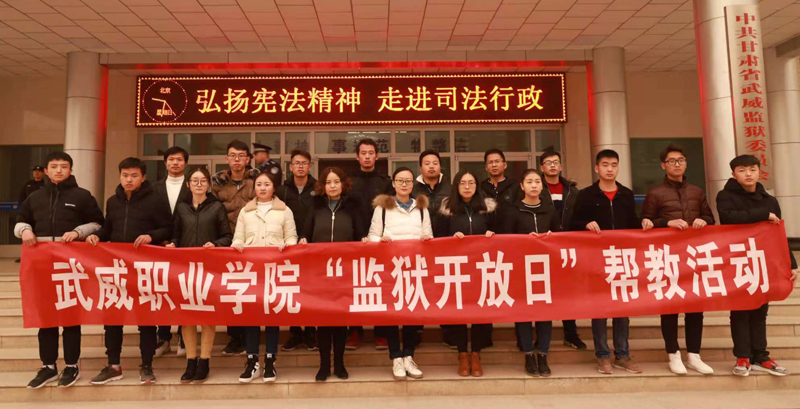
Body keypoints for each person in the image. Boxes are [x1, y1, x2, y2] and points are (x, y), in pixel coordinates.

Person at [14, 152, 104, 389]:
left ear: (70, 170)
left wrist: (78, 232)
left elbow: (99, 223)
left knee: (71, 318)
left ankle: (72, 365)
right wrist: (24, 230)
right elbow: (20, 220)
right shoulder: (35, 197)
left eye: (64, 167)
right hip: (42, 267)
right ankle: (48, 366)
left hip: (70, 267)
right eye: (54, 167)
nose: (59, 170)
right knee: (46, 317)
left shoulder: (82, 196)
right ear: (46, 170)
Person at [86, 158, 173, 385]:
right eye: (125, 175)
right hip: (117, 269)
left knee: (146, 319)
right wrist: (97, 236)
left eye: (134, 175)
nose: (129, 179)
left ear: (143, 177)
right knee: (113, 318)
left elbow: (168, 227)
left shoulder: (155, 200)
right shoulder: (113, 201)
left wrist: (151, 236)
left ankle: (147, 365)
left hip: (144, 269)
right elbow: (108, 229)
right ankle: (113, 365)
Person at [716, 154, 799, 377]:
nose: (748, 174)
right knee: (740, 309)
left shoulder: (769, 200)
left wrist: (791, 264)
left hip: (763, 260)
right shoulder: (725, 196)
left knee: (761, 309)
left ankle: (761, 356)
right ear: (734, 174)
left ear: (759, 171)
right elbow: (729, 219)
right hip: (738, 260)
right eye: (742, 170)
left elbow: (779, 233)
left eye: (752, 169)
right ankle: (743, 356)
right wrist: (763, 215)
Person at [641, 145, 716, 375]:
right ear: (663, 165)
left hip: (694, 257)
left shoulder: (697, 191)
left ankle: (694, 355)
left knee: (696, 307)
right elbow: (645, 222)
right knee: (670, 307)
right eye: (672, 161)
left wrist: (704, 220)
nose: (677, 164)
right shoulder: (655, 193)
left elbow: (710, 218)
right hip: (668, 257)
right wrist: (667, 223)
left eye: (681, 160)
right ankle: (673, 354)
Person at [570, 149, 644, 375]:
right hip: (597, 259)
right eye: (605, 165)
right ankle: (602, 356)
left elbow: (633, 224)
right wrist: (585, 225)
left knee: (622, 309)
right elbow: (573, 223)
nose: (610, 169)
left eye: (613, 165)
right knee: (600, 309)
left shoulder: (626, 194)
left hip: (622, 259)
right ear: (596, 168)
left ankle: (622, 355)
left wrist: (645, 224)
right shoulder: (586, 195)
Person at [166, 167, 232, 383]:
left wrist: (216, 244)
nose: (199, 184)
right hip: (184, 269)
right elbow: (175, 234)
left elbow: (227, 236)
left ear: (208, 184)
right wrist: (172, 244)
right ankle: (190, 361)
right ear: (188, 184)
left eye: (203, 180)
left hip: (209, 269)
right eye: (194, 180)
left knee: (207, 317)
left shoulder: (216, 207)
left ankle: (204, 361)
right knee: (187, 318)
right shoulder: (181, 208)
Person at [232, 165, 297, 383]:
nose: (262, 188)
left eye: (266, 184)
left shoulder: (284, 211)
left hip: (274, 272)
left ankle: (270, 360)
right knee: (251, 317)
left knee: (271, 316)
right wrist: (238, 245)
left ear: (273, 188)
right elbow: (237, 238)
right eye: (258, 184)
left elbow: (292, 238)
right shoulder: (246, 211)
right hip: (251, 272)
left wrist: (287, 246)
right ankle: (252, 361)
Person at [299, 167, 365, 381]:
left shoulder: (352, 207)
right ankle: (324, 365)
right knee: (323, 320)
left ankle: (339, 364)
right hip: (320, 273)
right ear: (322, 186)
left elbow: (360, 234)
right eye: (328, 182)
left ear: (343, 184)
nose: (333, 186)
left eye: (336, 181)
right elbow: (306, 233)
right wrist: (302, 240)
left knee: (340, 320)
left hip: (345, 272)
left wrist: (364, 240)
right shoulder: (316, 206)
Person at [368, 167, 432, 380]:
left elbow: (429, 235)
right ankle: (395, 356)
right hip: (390, 268)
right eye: (400, 181)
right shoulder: (382, 208)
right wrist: (380, 240)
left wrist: (426, 240)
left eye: (408, 181)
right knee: (392, 313)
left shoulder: (421, 208)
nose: (404, 184)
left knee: (412, 312)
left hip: (414, 267)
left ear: (413, 184)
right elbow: (372, 235)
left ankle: (409, 356)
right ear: (393, 183)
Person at [435, 170, 496, 377]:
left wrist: (491, 236)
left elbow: (500, 232)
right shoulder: (446, 209)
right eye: (463, 183)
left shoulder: (487, 208)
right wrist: (451, 238)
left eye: (471, 183)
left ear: (477, 186)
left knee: (480, 310)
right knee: (459, 310)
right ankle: (462, 353)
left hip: (482, 268)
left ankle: (476, 353)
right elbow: (438, 237)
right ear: (456, 186)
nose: (467, 187)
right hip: (456, 268)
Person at [502, 169, 559, 377]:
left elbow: (560, 236)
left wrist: (552, 237)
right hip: (521, 268)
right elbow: (505, 239)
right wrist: (524, 240)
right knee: (524, 313)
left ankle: (542, 354)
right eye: (529, 182)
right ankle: (528, 354)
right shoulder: (513, 210)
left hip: (545, 269)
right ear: (522, 186)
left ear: (542, 186)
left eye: (537, 181)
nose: (534, 185)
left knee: (545, 313)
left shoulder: (550, 210)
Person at [212, 140, 258, 356]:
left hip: (252, 244)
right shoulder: (217, 185)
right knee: (231, 291)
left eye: (241, 155)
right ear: (227, 159)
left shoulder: (257, 182)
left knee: (251, 291)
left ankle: (250, 336)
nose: (237, 159)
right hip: (227, 244)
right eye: (233, 155)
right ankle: (234, 337)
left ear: (248, 159)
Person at [538, 149, 586, 350]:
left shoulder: (573, 192)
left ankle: (571, 333)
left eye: (555, 162)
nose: (552, 165)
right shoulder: (536, 188)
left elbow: (580, 216)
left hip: (567, 247)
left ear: (560, 166)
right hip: (542, 247)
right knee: (542, 291)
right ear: (542, 167)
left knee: (568, 292)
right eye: (548, 162)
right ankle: (541, 337)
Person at [348, 138, 392, 350]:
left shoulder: (385, 182)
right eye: (363, 153)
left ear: (377, 156)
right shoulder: (348, 181)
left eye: (371, 153)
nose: (367, 157)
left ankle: (381, 332)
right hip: (354, 240)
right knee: (354, 286)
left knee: (380, 285)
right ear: (357, 157)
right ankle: (355, 331)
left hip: (380, 241)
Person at [276, 149, 318, 352]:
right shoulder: (282, 190)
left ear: (310, 167)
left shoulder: (318, 188)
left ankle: (310, 332)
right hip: (288, 246)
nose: (300, 166)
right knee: (291, 289)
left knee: (310, 289)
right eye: (296, 163)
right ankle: (294, 333)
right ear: (291, 167)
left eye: (304, 163)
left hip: (312, 246)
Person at [151, 146, 191, 358]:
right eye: (171, 159)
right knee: (163, 292)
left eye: (179, 160)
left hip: (185, 246)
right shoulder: (153, 188)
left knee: (184, 292)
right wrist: (161, 240)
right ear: (165, 162)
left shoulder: (192, 185)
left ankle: (184, 337)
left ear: (185, 163)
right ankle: (163, 337)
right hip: (160, 247)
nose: (175, 163)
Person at [15, 165, 46, 263]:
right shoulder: (28, 184)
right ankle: (25, 255)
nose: (36, 173)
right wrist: (23, 210)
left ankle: (39, 255)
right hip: (28, 213)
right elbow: (21, 198)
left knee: (38, 234)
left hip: (41, 213)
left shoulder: (45, 185)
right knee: (26, 233)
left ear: (43, 173)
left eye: (39, 171)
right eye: (35, 171)